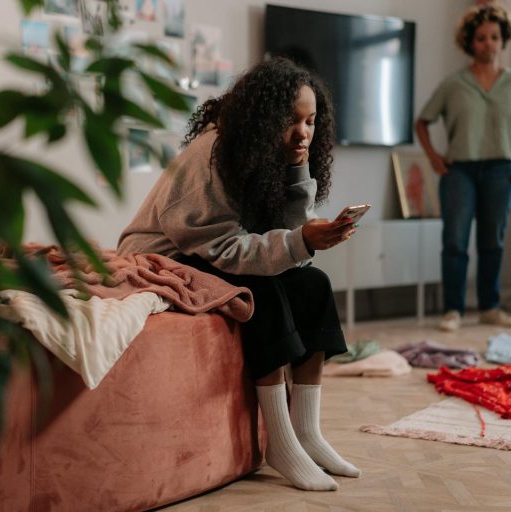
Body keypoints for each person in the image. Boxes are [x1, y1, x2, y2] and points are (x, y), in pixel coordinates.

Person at [117, 57, 362, 491]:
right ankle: (281, 444)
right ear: (264, 117)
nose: (304, 132)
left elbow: (284, 239)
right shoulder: (210, 156)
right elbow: (223, 245)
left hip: (215, 252)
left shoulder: (272, 153)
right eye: (292, 120)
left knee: (313, 284)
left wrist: (300, 190)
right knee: (259, 289)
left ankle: (307, 432)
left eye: (310, 121)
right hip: (163, 255)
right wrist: (301, 239)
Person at [415, 2, 511, 332]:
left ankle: (490, 306)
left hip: (501, 171)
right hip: (459, 171)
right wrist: (433, 156)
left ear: (503, 41)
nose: (488, 44)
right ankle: (453, 310)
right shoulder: (453, 84)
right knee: (455, 242)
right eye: (481, 38)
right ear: (469, 43)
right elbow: (423, 121)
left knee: (493, 241)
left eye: (493, 37)